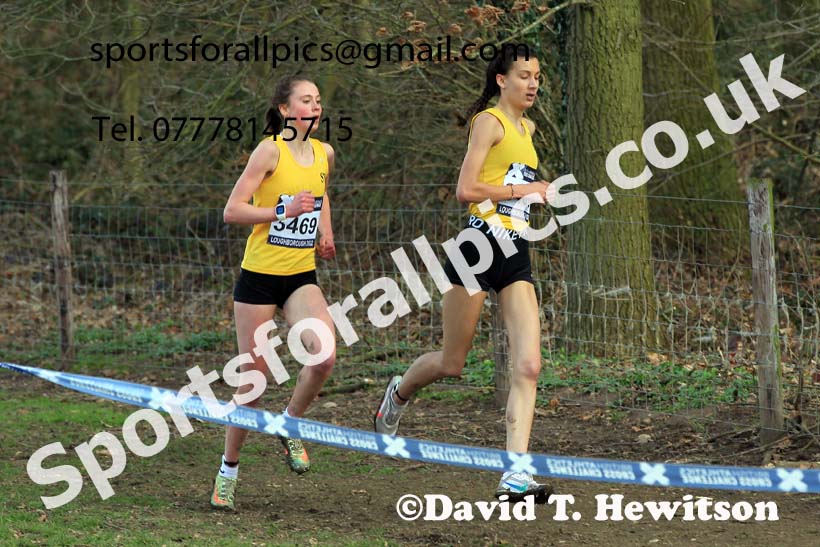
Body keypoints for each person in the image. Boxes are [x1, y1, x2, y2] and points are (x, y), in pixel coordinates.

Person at [374, 46, 554, 502]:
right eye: (524, 76)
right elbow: (466, 189)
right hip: (477, 247)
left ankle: (514, 474)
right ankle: (399, 392)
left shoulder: (528, 129)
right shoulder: (488, 122)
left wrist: (536, 196)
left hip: (515, 250)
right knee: (452, 362)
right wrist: (523, 188)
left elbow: (516, 190)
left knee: (529, 365)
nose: (532, 84)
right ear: (501, 80)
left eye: (536, 77)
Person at [211, 76, 337, 510]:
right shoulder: (269, 150)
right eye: (306, 100)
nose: (315, 107)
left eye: (318, 100)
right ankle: (228, 470)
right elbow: (232, 210)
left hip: (301, 276)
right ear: (285, 110)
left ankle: (289, 425)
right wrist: (281, 210)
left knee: (323, 357)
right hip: (259, 279)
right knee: (254, 383)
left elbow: (320, 196)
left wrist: (324, 231)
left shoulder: (324, 153)